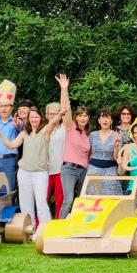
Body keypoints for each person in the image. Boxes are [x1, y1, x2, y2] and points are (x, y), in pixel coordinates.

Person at [0, 105, 64, 227]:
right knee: (25, 203)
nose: (34, 119)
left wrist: (60, 113)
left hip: (40, 173)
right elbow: (11, 145)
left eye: (36, 117)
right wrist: (0, 135)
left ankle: (44, 229)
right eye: (31, 117)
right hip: (24, 172)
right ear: (28, 118)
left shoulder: (45, 131)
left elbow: (53, 122)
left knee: (41, 202)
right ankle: (29, 230)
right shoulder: (25, 133)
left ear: (41, 118)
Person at [56, 74, 91, 218]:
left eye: (85, 115)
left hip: (83, 171)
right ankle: (59, 229)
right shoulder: (70, 127)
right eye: (80, 115)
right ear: (76, 117)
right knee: (68, 200)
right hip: (69, 169)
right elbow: (66, 109)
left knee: (81, 200)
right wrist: (64, 90)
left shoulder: (88, 135)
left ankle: (77, 225)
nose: (83, 118)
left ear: (88, 118)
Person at [88, 110, 121, 194]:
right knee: (93, 196)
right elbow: (89, 154)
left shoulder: (116, 135)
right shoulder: (92, 135)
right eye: (103, 117)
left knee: (110, 196)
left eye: (108, 118)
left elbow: (116, 158)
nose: (105, 120)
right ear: (99, 120)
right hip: (93, 169)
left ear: (111, 121)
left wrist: (117, 146)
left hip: (110, 170)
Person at [45, 100, 66, 219]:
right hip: (45, 169)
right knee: (44, 198)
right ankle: (40, 224)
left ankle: (58, 223)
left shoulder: (65, 129)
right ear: (47, 115)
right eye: (50, 114)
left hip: (60, 169)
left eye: (55, 113)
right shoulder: (43, 129)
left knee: (59, 199)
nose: (53, 116)